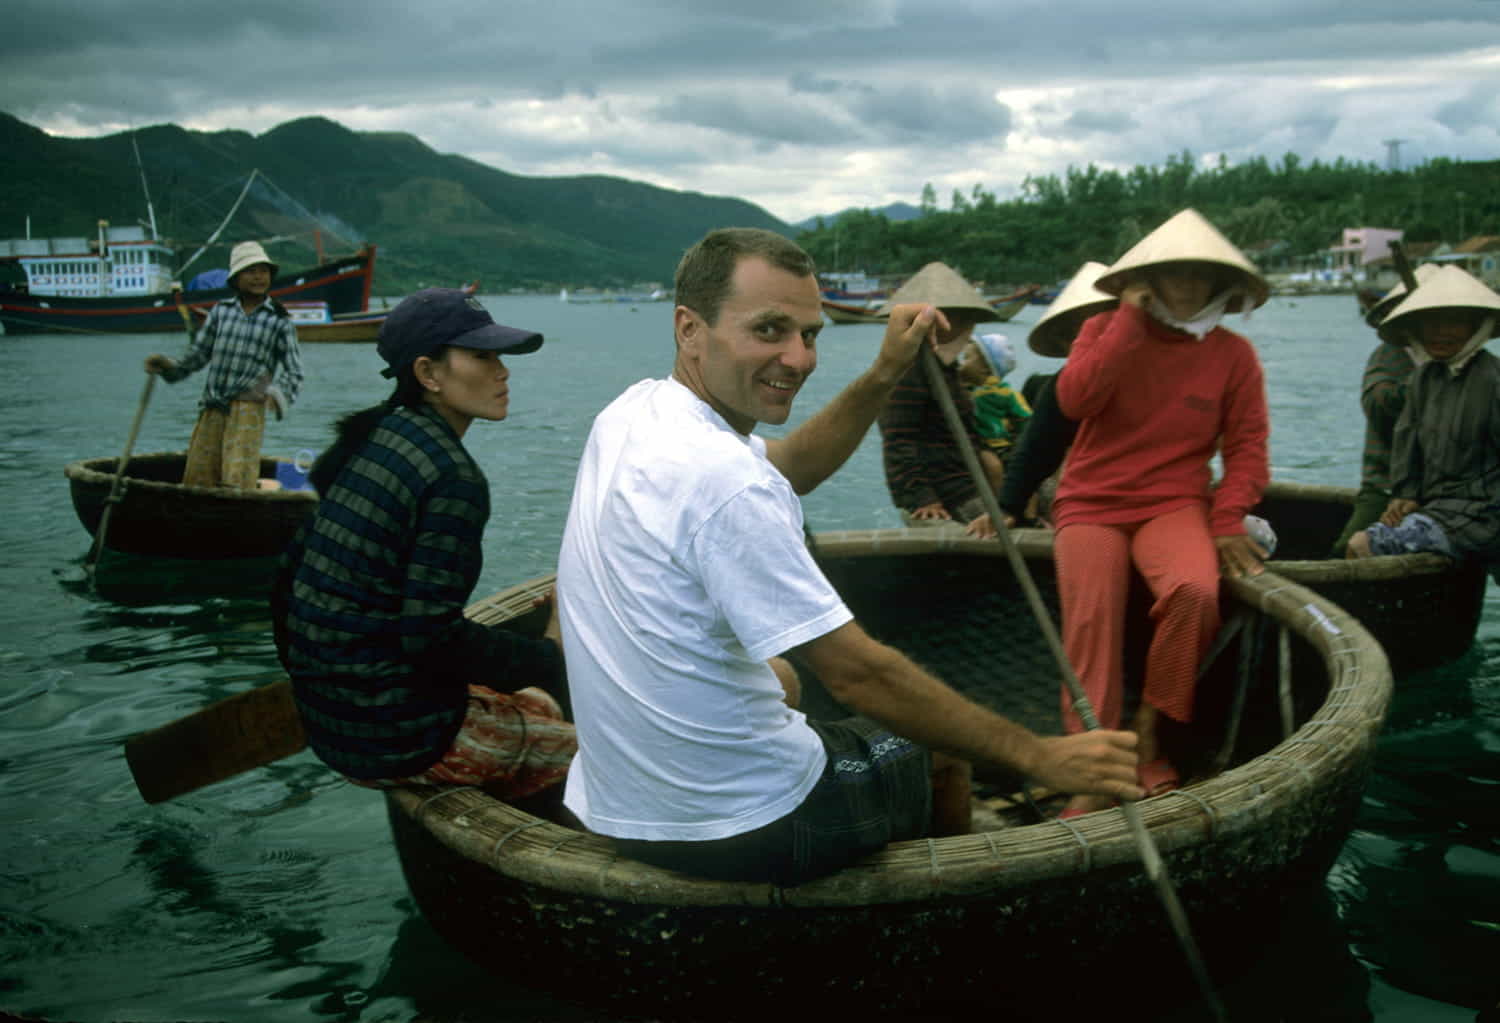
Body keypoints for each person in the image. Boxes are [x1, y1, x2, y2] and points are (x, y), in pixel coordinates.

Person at [555, 227, 1141, 886]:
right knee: (940, 753)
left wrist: (886, 370)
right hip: (750, 822)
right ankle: (945, 913)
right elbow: (860, 673)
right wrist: (1043, 756)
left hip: (620, 803)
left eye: (810, 335)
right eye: (770, 330)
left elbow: (793, 465)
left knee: (786, 679)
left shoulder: (635, 414)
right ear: (689, 328)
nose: (798, 359)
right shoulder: (723, 479)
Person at [271, 288, 575, 800]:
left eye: (499, 356)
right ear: (428, 374)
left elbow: (287, 585)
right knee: (593, 752)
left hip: (330, 723)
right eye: (482, 356)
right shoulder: (451, 477)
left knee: (538, 703)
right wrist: (548, 657)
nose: (502, 371)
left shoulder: (374, 436)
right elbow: (430, 638)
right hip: (401, 739)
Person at [1050, 209, 1271, 819]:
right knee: (1090, 623)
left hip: (1174, 502)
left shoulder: (1234, 355)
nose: (1189, 286)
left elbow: (1248, 450)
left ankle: (1148, 729)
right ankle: (1094, 766)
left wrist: (1227, 521)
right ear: (1148, 276)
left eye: (1202, 275)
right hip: (1092, 500)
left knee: (1195, 593)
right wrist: (1127, 315)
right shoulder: (1103, 327)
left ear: (1220, 283)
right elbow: (1074, 399)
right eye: (1174, 273)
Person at [1347, 266, 1500, 571]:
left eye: (1452, 323)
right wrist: (1404, 497)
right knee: (1357, 543)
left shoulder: (1492, 380)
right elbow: (1407, 444)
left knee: (1362, 545)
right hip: (1438, 511)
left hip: (1483, 515)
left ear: (1475, 327)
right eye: (1429, 323)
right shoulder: (1422, 379)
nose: (1439, 333)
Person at [144, 241, 303, 489]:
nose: (258, 277)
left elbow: (294, 371)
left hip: (248, 409)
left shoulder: (279, 320)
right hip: (213, 405)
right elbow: (196, 357)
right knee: (199, 476)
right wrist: (166, 366)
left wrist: (277, 395)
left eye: (263, 271)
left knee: (237, 478)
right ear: (236, 279)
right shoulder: (221, 312)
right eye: (251, 271)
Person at [875, 262, 1005, 531]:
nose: (967, 325)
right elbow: (898, 438)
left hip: (969, 481)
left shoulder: (948, 369)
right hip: (946, 493)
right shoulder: (909, 369)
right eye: (958, 316)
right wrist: (922, 497)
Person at [1328, 265, 1439, 556]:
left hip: (1451, 497)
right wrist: (1426, 376)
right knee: (1346, 552)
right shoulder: (1389, 357)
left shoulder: (1474, 366)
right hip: (1387, 487)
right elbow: (1379, 405)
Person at [996, 262, 1116, 527]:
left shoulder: (1157, 371)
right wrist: (1008, 507)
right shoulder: (1062, 386)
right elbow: (1037, 448)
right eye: (1083, 331)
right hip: (1092, 495)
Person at [958, 333, 1032, 461]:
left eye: (966, 358)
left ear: (985, 368)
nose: (961, 364)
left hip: (998, 448)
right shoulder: (965, 390)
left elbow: (1026, 419)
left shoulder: (1005, 393)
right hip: (972, 446)